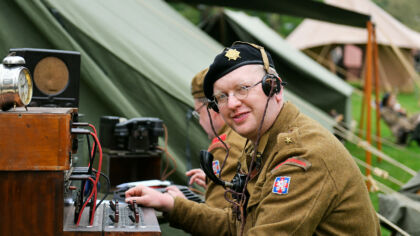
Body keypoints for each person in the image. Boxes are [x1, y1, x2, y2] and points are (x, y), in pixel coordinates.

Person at [126, 42, 380, 235]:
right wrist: (170, 205)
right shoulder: (261, 143)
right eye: (222, 97)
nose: (232, 104)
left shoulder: (304, 154)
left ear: (274, 87)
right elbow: (238, 224)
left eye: (243, 89)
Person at [186, 68, 246, 208]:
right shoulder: (244, 134)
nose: (200, 121)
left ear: (213, 108)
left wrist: (175, 204)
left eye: (198, 113)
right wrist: (216, 185)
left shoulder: (224, 146)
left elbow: (218, 220)